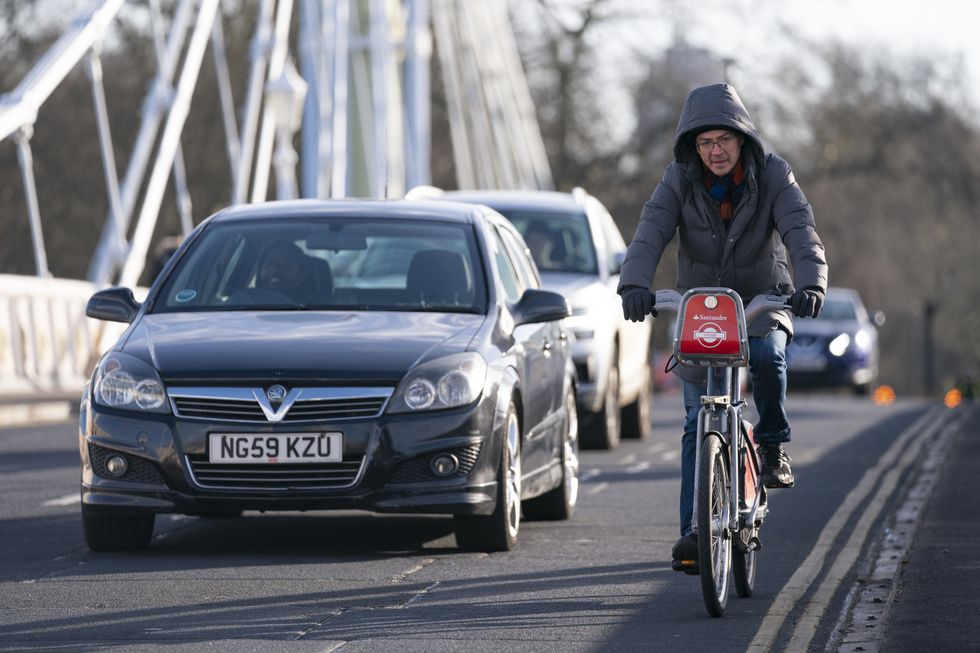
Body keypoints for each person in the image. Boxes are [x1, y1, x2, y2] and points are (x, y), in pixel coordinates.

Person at [617, 83, 828, 568]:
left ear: (742, 139)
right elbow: (651, 230)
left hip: (761, 301)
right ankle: (694, 533)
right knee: (696, 420)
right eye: (705, 143)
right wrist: (634, 284)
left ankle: (773, 445)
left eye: (724, 141)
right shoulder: (678, 179)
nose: (715, 151)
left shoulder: (774, 174)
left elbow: (800, 228)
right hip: (702, 310)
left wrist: (810, 282)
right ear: (693, 147)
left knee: (769, 356)